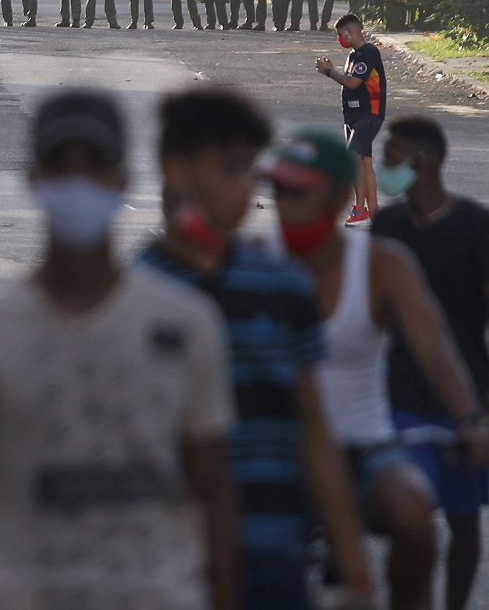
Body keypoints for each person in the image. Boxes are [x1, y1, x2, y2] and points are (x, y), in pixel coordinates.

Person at [0, 91, 239, 610]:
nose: (78, 181)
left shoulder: (185, 325)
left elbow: (214, 492)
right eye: (60, 165)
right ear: (33, 180)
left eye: (94, 165)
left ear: (123, 182)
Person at [139, 91, 372, 608]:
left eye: (250, 170)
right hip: (165, 559)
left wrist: (355, 568)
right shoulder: (132, 294)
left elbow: (314, 429)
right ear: (174, 170)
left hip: (272, 548)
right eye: (228, 169)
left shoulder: (283, 286)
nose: (247, 188)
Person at [266, 128, 489, 610]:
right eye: (279, 191)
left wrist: (472, 418)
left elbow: (435, 349)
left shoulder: (382, 264)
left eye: (301, 192)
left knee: (414, 514)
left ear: (336, 196)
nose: (286, 204)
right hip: (278, 450)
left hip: (366, 444)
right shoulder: (254, 266)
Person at [374, 116, 489, 610]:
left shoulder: (477, 227)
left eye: (391, 158)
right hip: (402, 398)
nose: (383, 169)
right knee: (406, 517)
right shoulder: (388, 227)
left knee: (462, 517)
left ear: (423, 163)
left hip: (466, 399)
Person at [317, 13, 386, 224]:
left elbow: (354, 83)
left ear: (351, 32)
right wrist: (334, 70)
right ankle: (372, 212)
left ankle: (358, 207)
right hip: (353, 116)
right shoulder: (354, 56)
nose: (340, 39)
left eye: (340, 34)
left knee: (352, 157)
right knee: (365, 162)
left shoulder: (369, 52)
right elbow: (350, 79)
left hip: (369, 114)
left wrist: (329, 72)